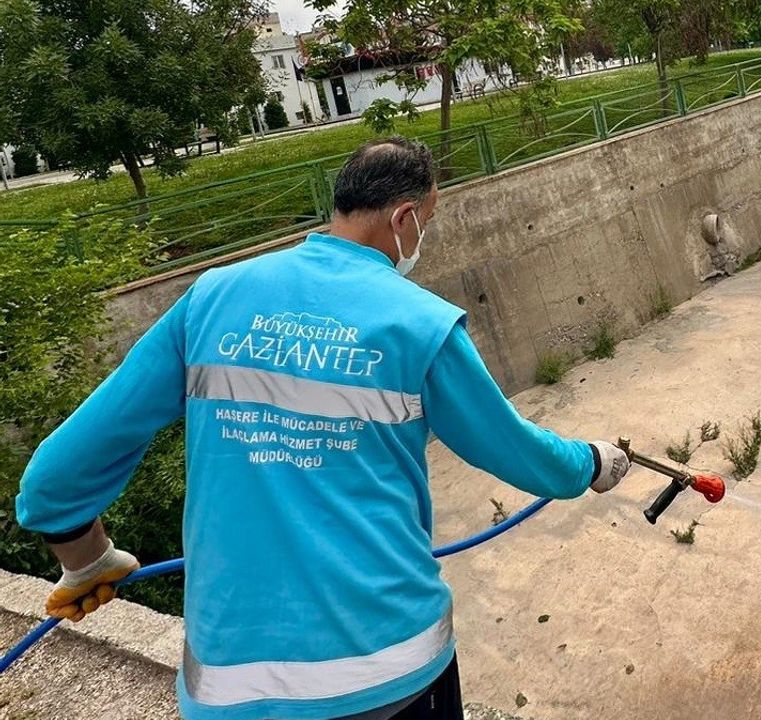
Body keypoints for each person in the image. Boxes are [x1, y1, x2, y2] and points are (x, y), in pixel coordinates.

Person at [16, 137, 632, 720]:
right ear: (404, 219)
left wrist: (88, 560)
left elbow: (52, 482)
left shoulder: (212, 298)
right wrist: (592, 463)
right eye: (429, 222)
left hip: (229, 687)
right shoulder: (420, 324)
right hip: (391, 671)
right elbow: (520, 453)